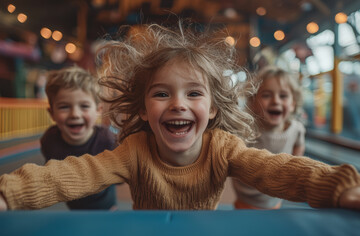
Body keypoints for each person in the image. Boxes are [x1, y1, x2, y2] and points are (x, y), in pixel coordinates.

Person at [0, 22, 359, 211]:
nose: (178, 104)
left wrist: (339, 186)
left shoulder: (223, 148)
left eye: (193, 93)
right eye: (161, 93)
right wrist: (7, 192)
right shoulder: (134, 150)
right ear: (143, 108)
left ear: (213, 108)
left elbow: (277, 169)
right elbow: (73, 173)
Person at [39, 65, 118, 210]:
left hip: (106, 207)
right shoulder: (50, 140)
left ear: (98, 110)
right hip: (75, 208)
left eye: (84, 106)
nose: (75, 114)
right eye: (64, 107)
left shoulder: (107, 140)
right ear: (52, 113)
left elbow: (121, 175)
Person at [231, 66, 306, 209]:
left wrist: (296, 161)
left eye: (283, 96)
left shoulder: (296, 129)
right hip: (247, 198)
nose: (275, 101)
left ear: (293, 104)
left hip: (275, 197)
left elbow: (299, 145)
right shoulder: (246, 129)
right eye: (266, 95)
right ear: (253, 102)